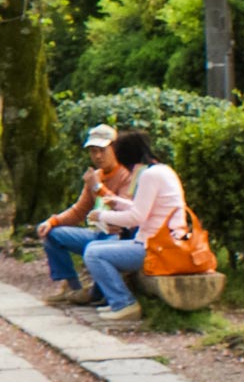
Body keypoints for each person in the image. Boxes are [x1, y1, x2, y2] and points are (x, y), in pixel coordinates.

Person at [80, 129, 188, 323]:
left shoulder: (148, 176)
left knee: (93, 254)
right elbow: (143, 209)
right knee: (95, 248)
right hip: (165, 242)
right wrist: (116, 202)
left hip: (156, 247)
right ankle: (117, 301)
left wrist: (103, 215)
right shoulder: (162, 170)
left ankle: (123, 303)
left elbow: (137, 217)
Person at [36, 125, 133, 306]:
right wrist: (52, 221)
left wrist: (99, 187)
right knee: (51, 233)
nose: (98, 156)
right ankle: (73, 288)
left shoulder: (127, 175)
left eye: (102, 150)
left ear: (114, 148)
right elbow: (79, 210)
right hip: (97, 233)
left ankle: (103, 295)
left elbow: (126, 210)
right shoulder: (95, 176)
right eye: (93, 151)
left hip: (118, 237)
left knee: (100, 251)